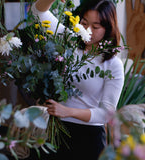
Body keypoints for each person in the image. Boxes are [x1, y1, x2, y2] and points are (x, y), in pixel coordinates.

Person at [31, 0, 124, 160]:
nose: (88, 30)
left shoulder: (112, 64)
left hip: (88, 139)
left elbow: (107, 113)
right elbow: (37, 12)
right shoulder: (70, 41)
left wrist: (68, 112)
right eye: (84, 23)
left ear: (108, 28)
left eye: (96, 27)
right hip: (56, 131)